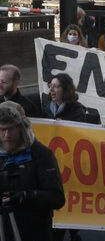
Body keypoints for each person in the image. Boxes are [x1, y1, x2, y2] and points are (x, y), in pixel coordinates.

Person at [0, 101, 65, 241]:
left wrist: (26, 196)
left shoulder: (41, 153)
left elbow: (57, 198)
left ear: (21, 127)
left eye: (11, 129)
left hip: (34, 230)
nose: (6, 135)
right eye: (1, 129)